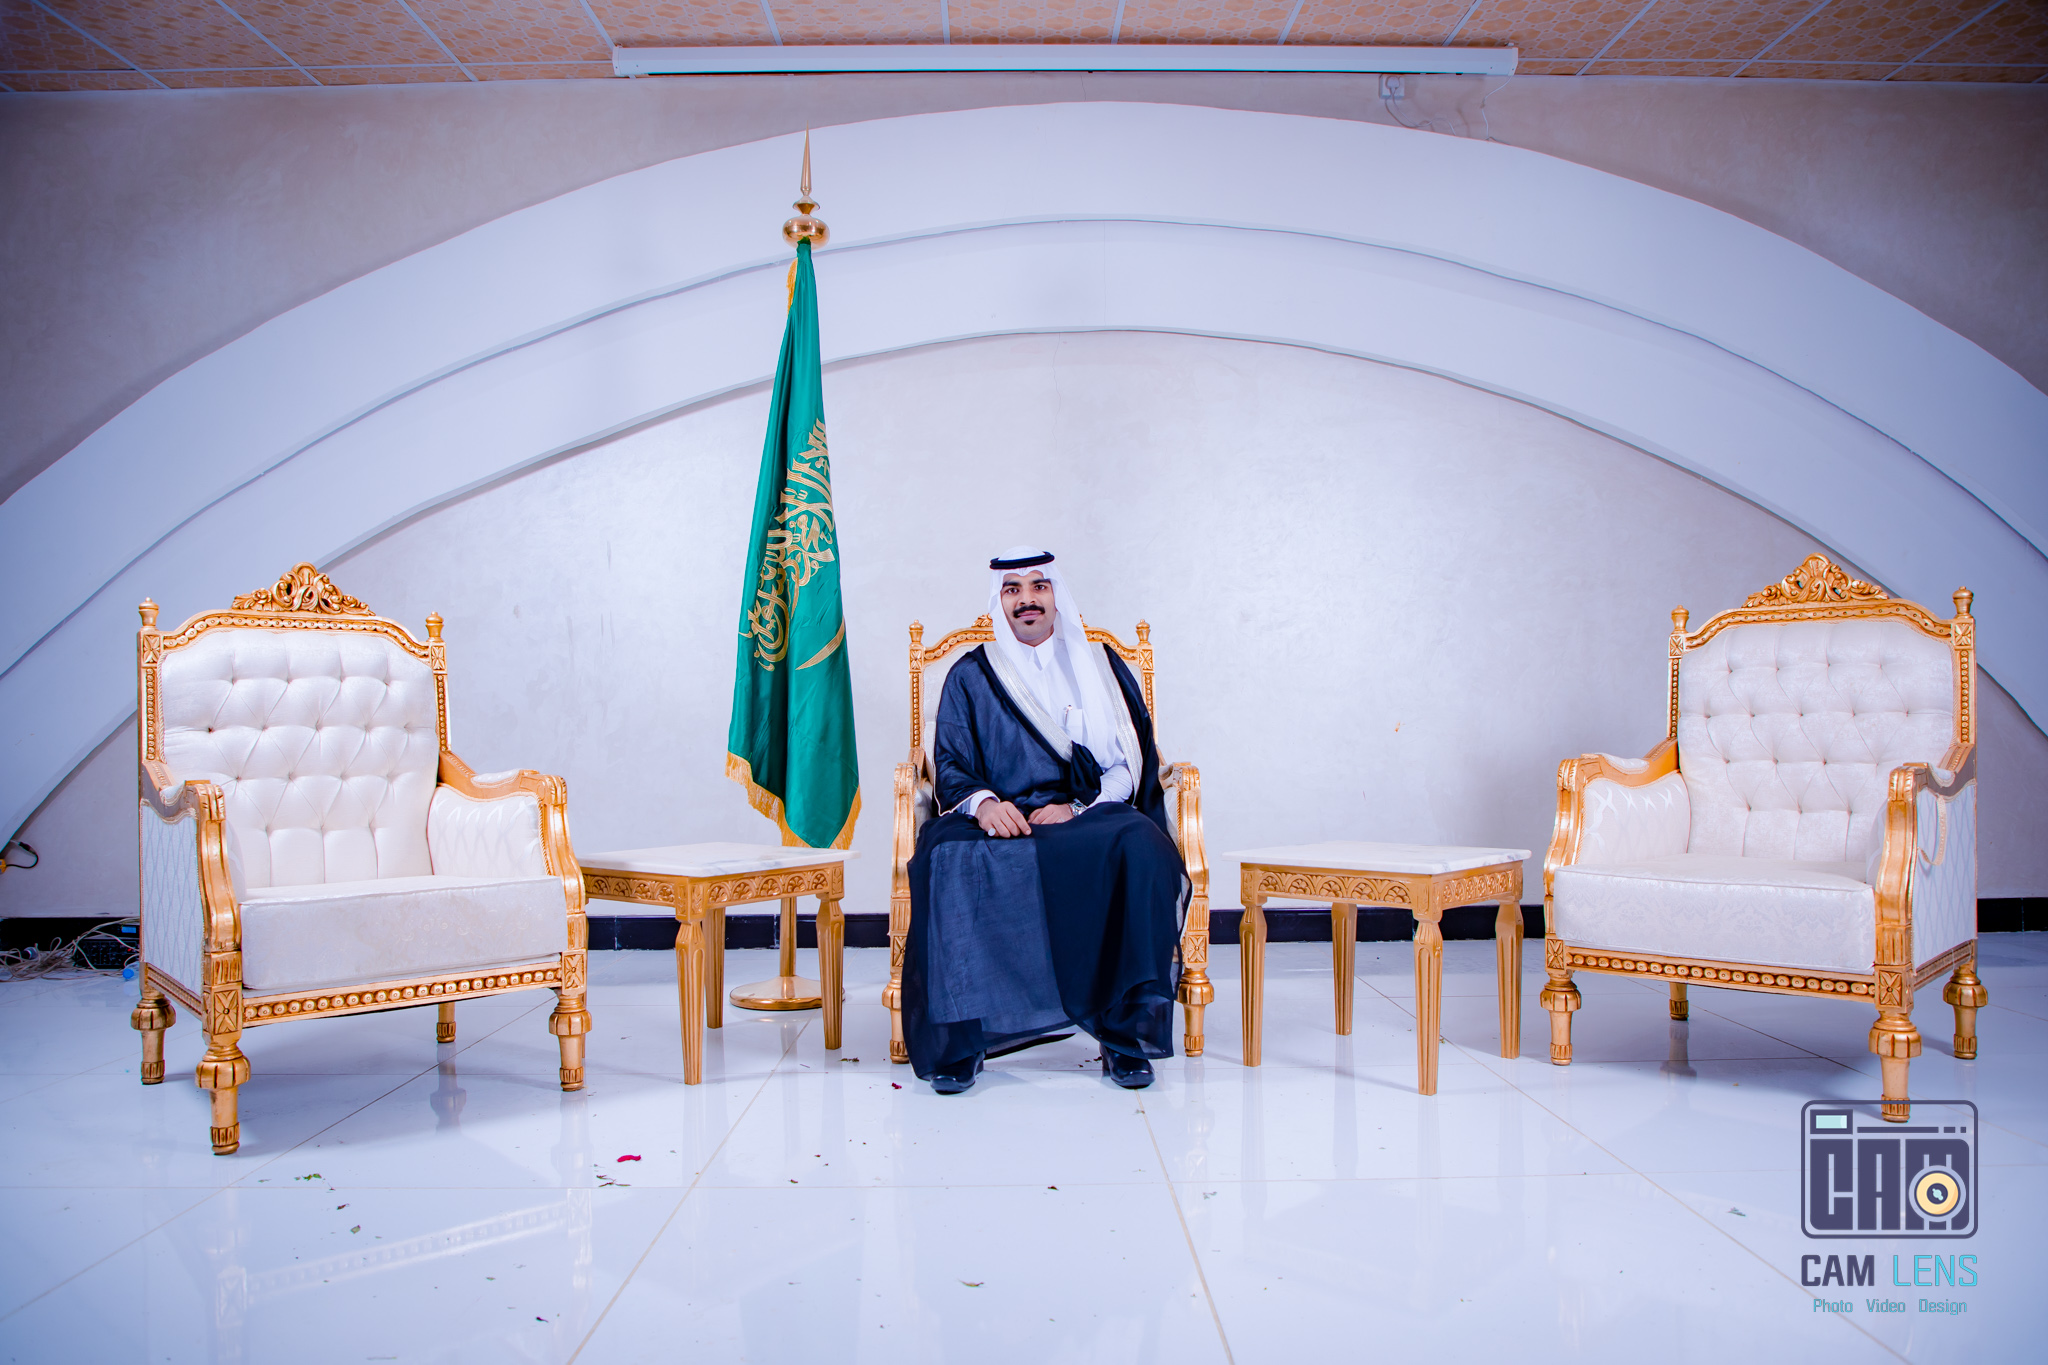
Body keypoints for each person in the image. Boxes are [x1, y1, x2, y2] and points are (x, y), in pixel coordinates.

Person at [902, 546, 1188, 1094]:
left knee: (1139, 844)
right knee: (947, 854)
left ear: (1057, 594)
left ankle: (1124, 1038)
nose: (1027, 599)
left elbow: (1128, 764)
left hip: (1085, 811)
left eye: (1039, 586)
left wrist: (1077, 808)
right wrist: (986, 805)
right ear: (999, 601)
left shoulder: (1100, 665)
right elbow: (952, 762)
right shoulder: (971, 673)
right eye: (1013, 590)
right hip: (1000, 815)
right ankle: (962, 1043)